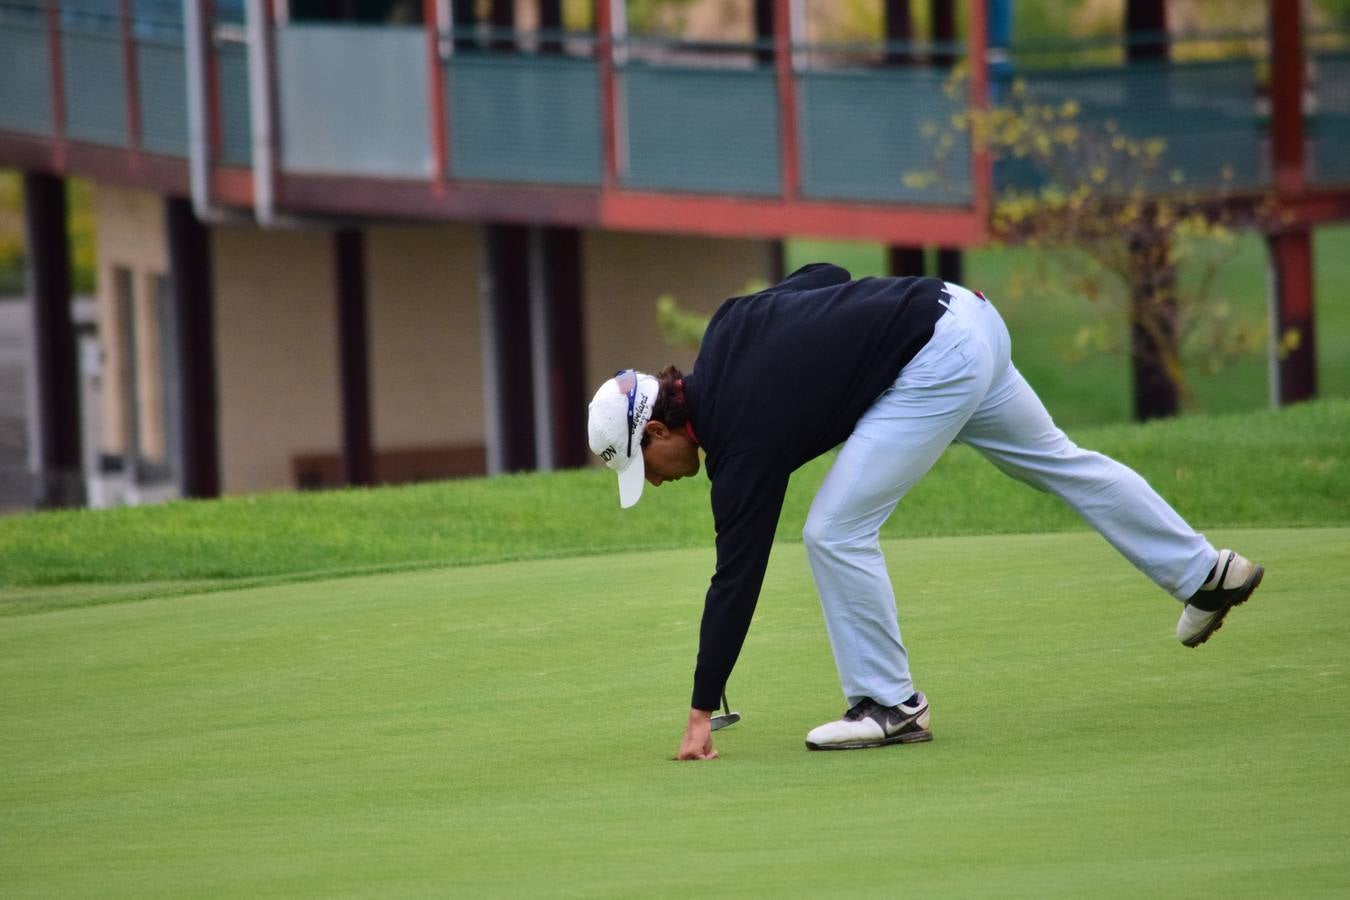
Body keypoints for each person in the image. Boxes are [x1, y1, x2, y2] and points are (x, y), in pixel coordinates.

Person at [586, 264, 1265, 761]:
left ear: (657, 431)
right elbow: (829, 272)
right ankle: (1205, 572)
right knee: (1062, 461)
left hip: (937, 357)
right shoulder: (730, 324)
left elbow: (736, 578)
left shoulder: (741, 445)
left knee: (834, 530)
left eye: (644, 467)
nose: (658, 481)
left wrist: (700, 710)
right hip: (964, 311)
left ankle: (890, 705)